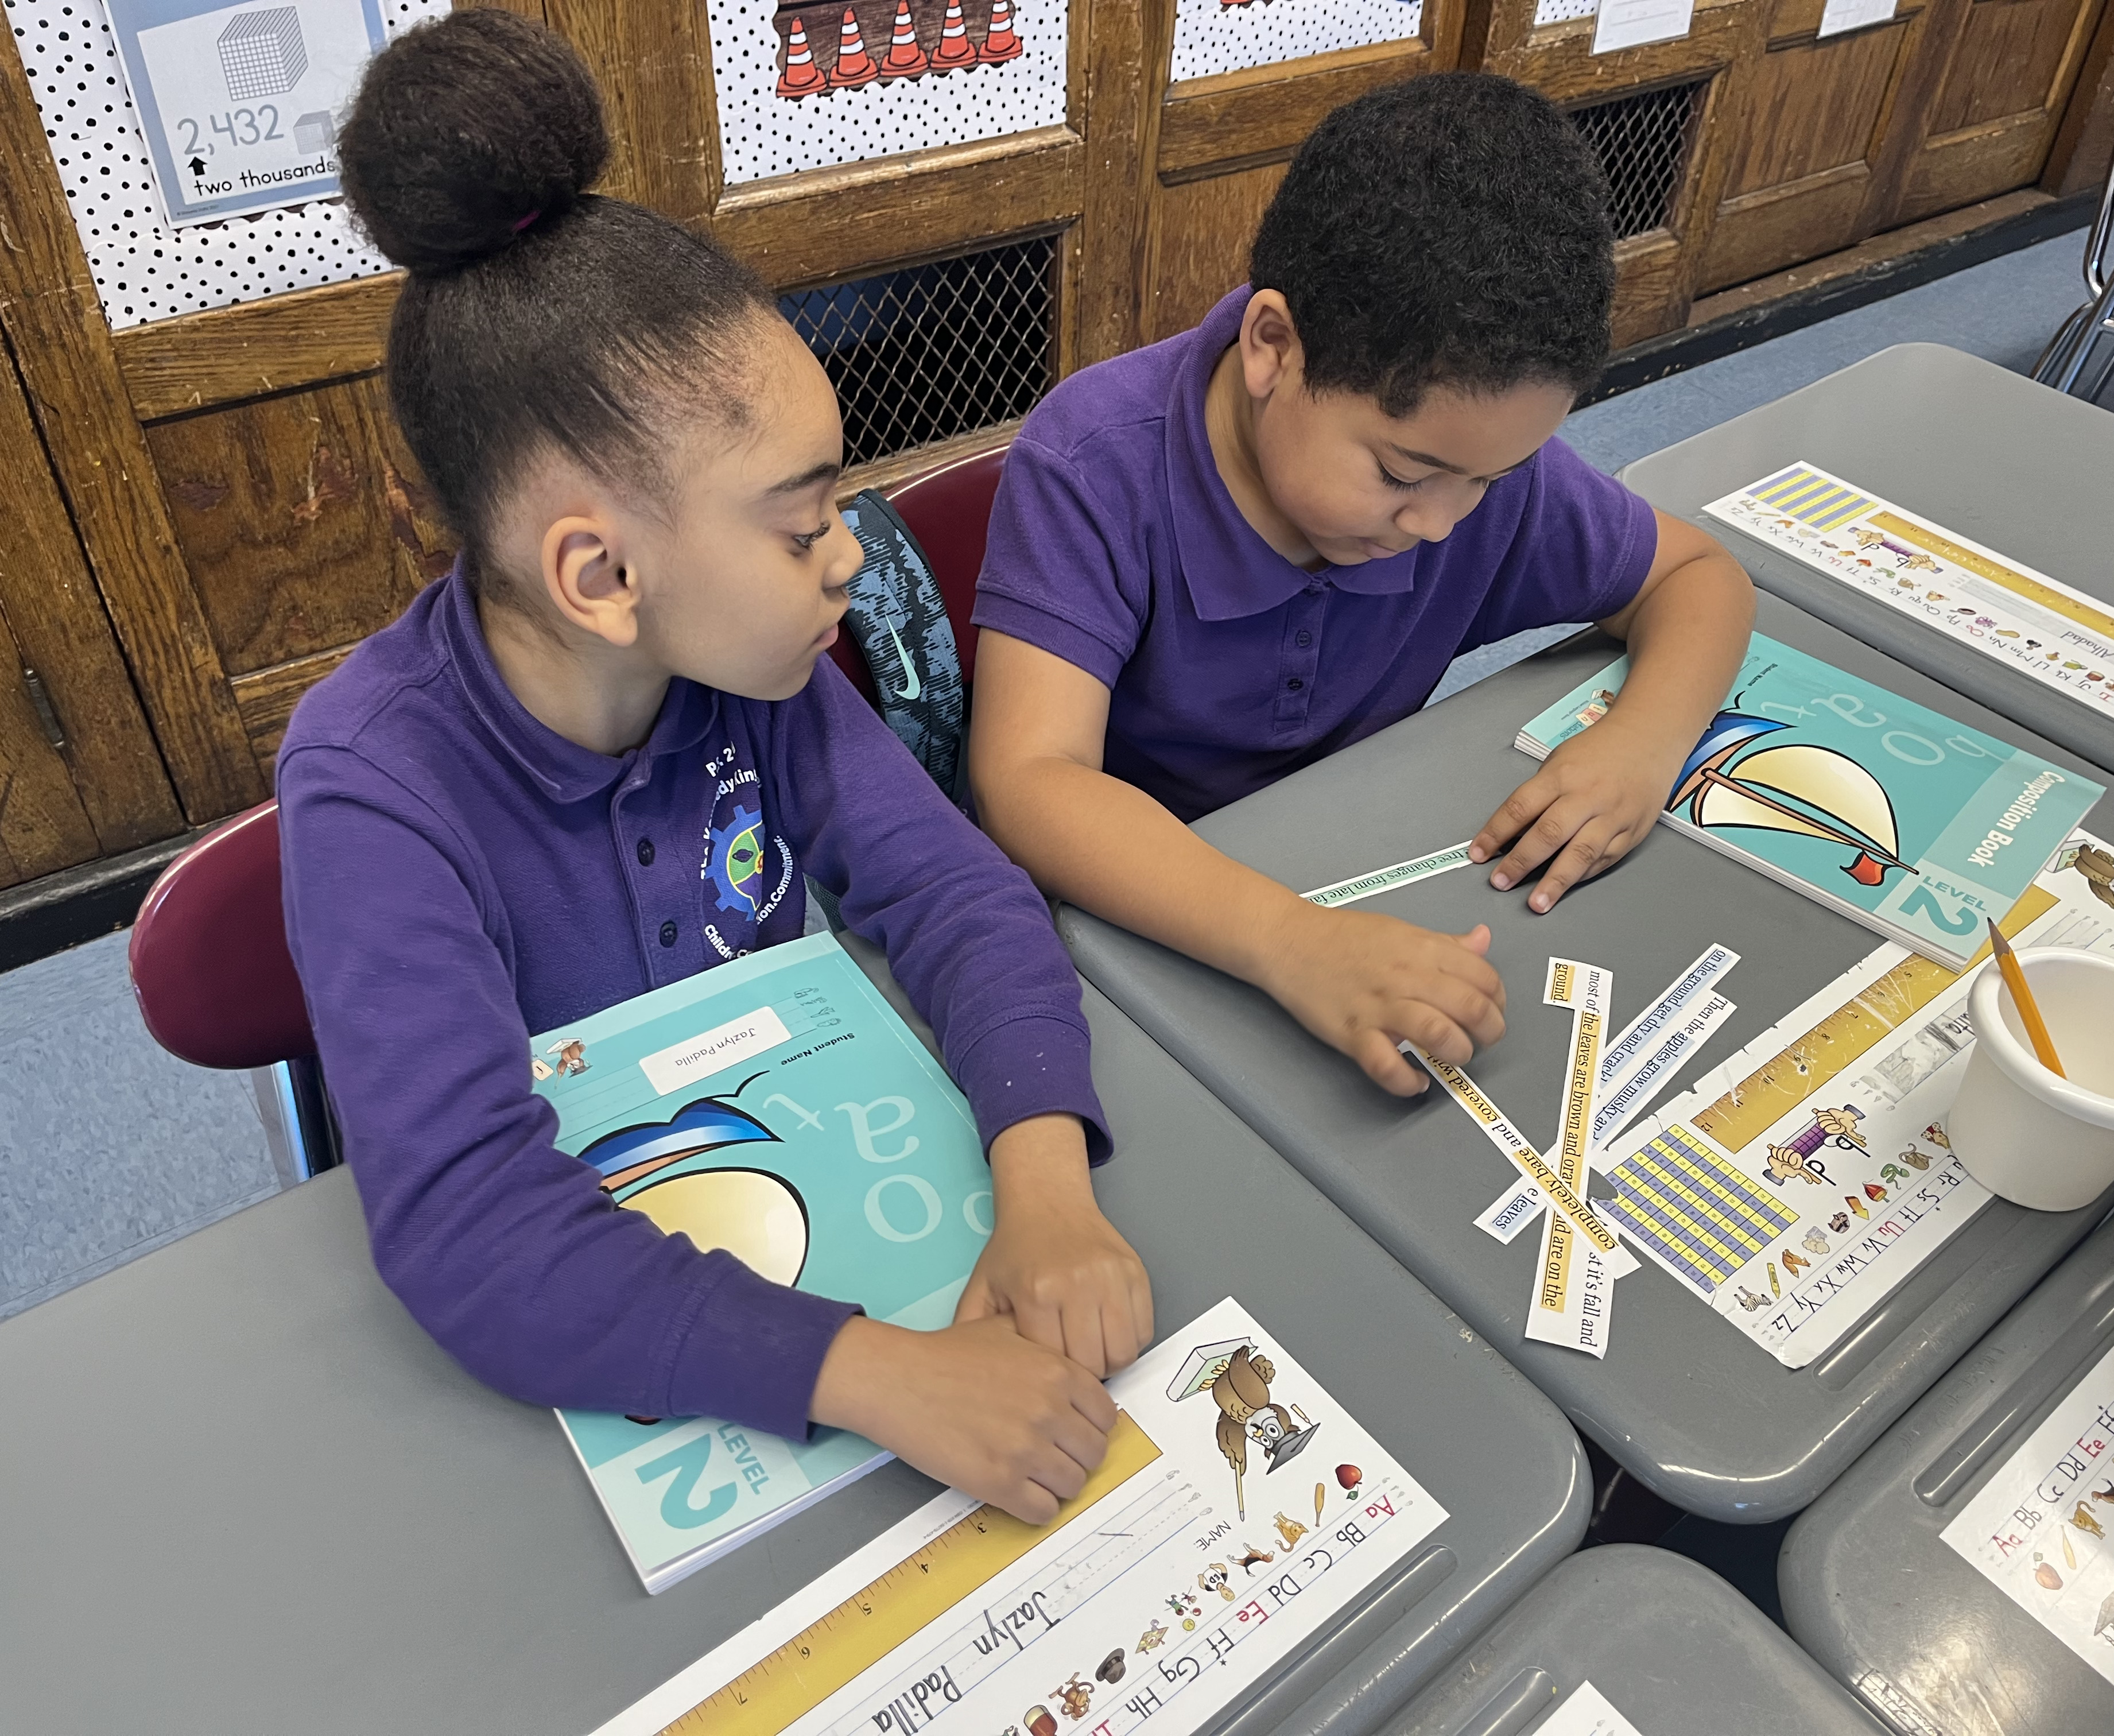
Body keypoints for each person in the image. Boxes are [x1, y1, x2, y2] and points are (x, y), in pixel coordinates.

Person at [277, 9, 1149, 1524]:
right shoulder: (372, 785)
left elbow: (962, 899)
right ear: (601, 574)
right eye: (800, 520)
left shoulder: (753, 673)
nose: (849, 557)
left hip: (769, 1165)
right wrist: (883, 1376)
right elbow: (473, 1227)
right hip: (603, 1347)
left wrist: (1049, 1183)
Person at [968, 73, 1755, 1098]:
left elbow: (1700, 575)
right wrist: (1287, 941)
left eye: (1493, 479)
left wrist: (1643, 743)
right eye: (1399, 475)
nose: (1442, 524)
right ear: (1272, 348)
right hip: (1124, 942)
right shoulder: (1092, 467)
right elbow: (1030, 783)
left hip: (1357, 866)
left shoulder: (1464, 465)